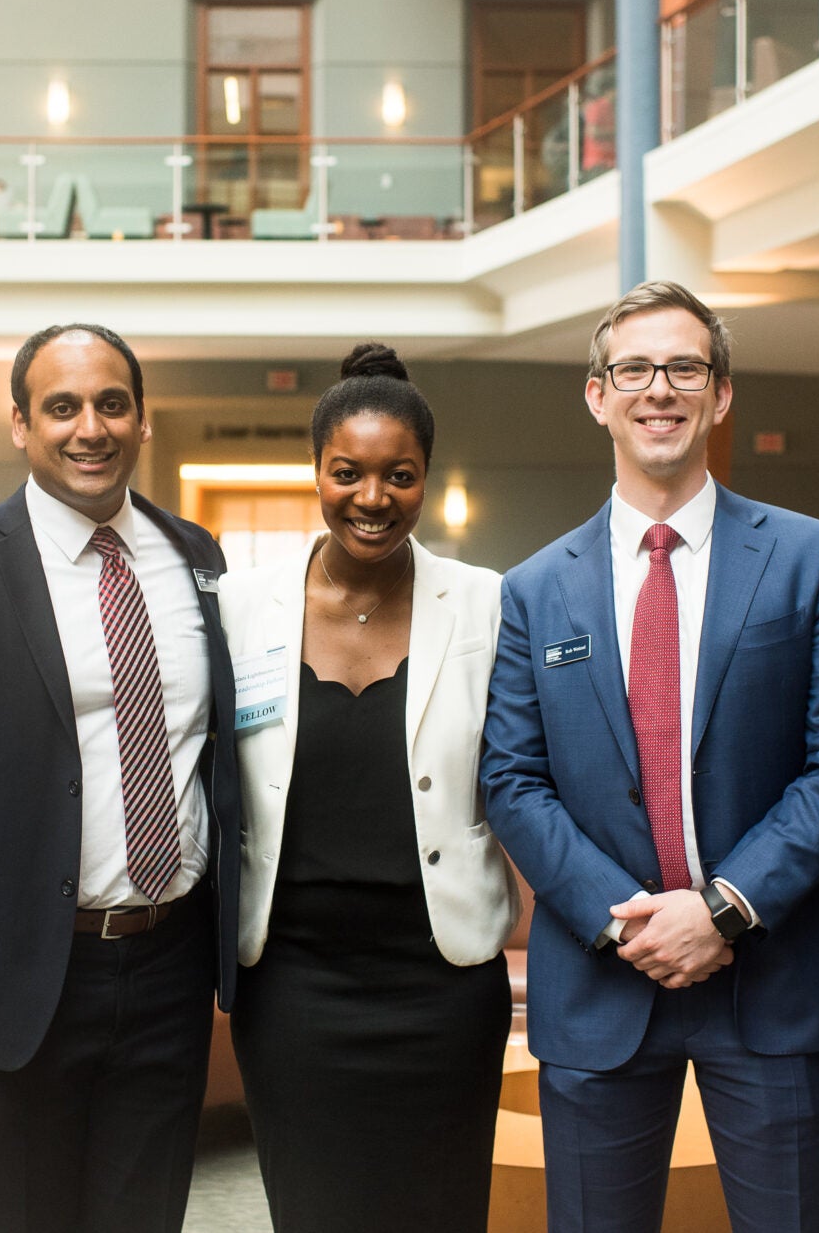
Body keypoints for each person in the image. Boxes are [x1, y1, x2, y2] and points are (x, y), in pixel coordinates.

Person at [480, 280, 819, 1233]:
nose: (659, 389)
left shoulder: (813, 557)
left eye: (685, 368)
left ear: (721, 392)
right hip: (602, 974)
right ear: (598, 394)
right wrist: (628, 925)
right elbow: (511, 777)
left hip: (776, 975)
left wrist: (723, 910)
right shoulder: (535, 589)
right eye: (635, 369)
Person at [0, 322, 240, 1233]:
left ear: (143, 420)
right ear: (19, 424)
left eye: (112, 403)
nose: (91, 427)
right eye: (63, 407)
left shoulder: (196, 554)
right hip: (15, 971)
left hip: (169, 964)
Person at [220, 344, 517, 1232]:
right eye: (347, 472)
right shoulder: (241, 606)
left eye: (400, 475)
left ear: (426, 477)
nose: (373, 497)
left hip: (442, 981)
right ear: (315, 470)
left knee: (442, 1210)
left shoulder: (487, 602)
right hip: (295, 986)